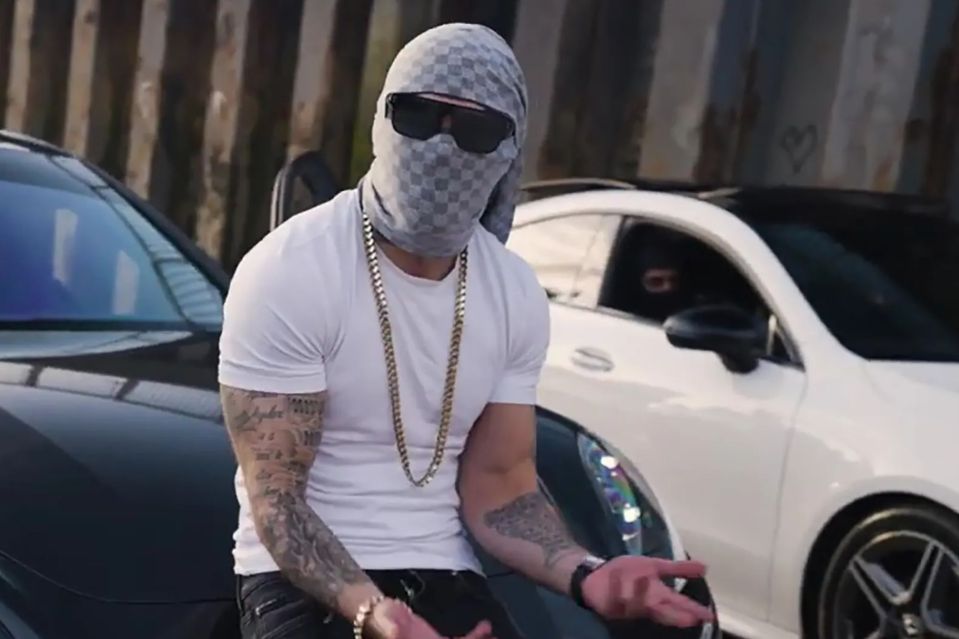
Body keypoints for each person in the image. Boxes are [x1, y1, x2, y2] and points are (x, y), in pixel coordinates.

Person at [218, 23, 715, 639]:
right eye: (420, 116)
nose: (441, 146)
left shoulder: (511, 291)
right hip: (301, 583)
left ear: (508, 151)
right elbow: (278, 503)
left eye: (475, 130)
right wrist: (375, 614)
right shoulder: (290, 268)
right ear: (382, 119)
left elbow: (500, 485)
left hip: (442, 571)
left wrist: (589, 574)